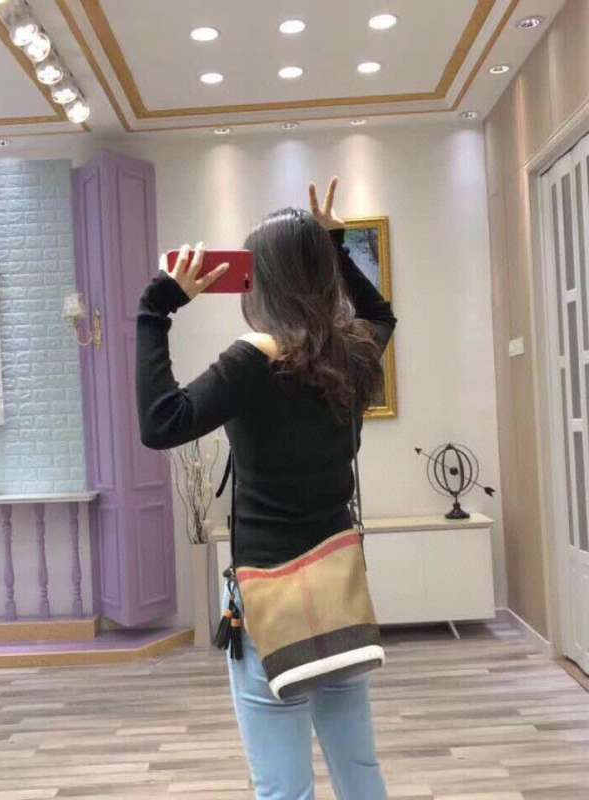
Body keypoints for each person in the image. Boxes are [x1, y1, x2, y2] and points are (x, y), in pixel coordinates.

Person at [135, 177, 396, 799]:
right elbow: (381, 315)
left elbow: (161, 424)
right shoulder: (354, 353)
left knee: (284, 788)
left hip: (268, 598)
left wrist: (157, 307)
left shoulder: (252, 360)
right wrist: (335, 246)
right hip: (337, 588)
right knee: (359, 771)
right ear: (321, 276)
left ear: (264, 283)